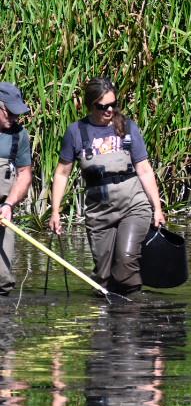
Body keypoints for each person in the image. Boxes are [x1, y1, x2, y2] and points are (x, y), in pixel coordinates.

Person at [48, 78, 167, 295]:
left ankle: (134, 314)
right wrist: (55, 211)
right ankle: (107, 319)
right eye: (103, 107)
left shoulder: (128, 128)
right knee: (102, 278)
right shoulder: (76, 132)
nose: (109, 110)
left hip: (133, 205)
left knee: (126, 261)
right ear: (90, 105)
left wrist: (157, 208)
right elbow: (62, 173)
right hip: (99, 212)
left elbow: (145, 169)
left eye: (113, 104)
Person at [0, 83, 35, 297]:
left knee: (2, 279)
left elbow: (25, 174)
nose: (14, 118)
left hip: (2, 212)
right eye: (10, 112)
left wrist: (8, 204)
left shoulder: (19, 135)